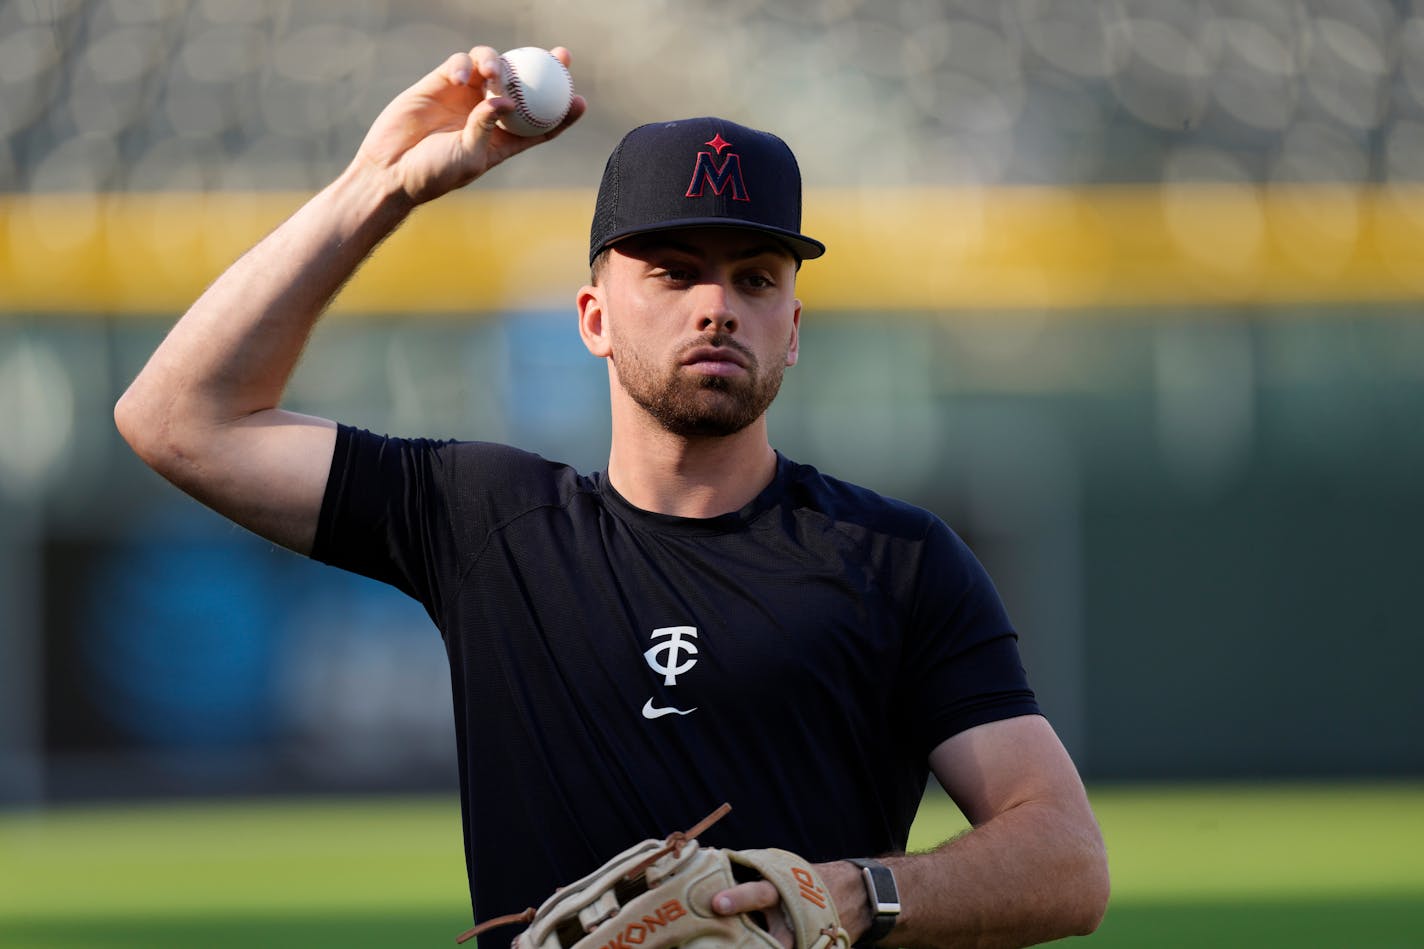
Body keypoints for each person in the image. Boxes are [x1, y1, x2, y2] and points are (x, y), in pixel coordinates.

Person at [115, 45, 1108, 948]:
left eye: (754, 278)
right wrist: (377, 188)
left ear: (791, 328)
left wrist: (852, 894)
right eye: (674, 272)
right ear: (592, 316)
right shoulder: (486, 521)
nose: (716, 305)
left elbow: (1064, 859)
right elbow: (177, 421)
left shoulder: (893, 557)